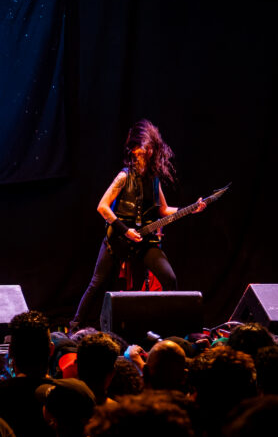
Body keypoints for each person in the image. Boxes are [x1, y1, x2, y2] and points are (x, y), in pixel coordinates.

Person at [71, 120, 205, 329]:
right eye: (143, 146)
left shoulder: (154, 180)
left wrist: (189, 209)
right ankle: (75, 326)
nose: (147, 151)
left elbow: (163, 210)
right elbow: (102, 207)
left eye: (150, 146)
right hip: (116, 242)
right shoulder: (123, 176)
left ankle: (172, 326)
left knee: (169, 278)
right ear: (134, 150)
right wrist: (125, 232)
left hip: (144, 242)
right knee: (97, 284)